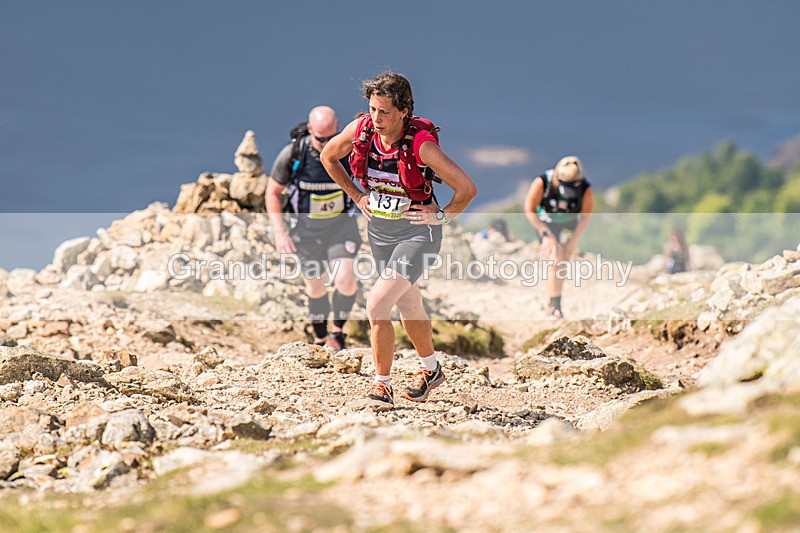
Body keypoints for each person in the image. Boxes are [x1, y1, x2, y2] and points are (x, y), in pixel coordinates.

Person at [321, 72, 478, 410]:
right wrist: (356, 195)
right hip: (379, 233)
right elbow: (328, 157)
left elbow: (467, 189)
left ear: (405, 110)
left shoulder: (422, 146)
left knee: (377, 304)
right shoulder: (361, 130)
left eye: (385, 112)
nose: (376, 119)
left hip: (419, 235)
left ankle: (381, 386)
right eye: (372, 109)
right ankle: (432, 370)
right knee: (408, 304)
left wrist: (440, 216)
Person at [266, 106, 361, 350]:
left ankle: (337, 334)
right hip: (306, 231)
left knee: (346, 280)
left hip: (341, 227)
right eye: (321, 139)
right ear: (310, 130)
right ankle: (319, 339)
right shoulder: (294, 154)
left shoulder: (348, 152)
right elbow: (273, 193)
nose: (327, 143)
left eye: (332, 137)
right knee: (315, 285)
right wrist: (280, 232)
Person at [524, 156, 595, 319]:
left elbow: (585, 217)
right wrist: (546, 234)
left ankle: (556, 301)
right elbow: (529, 209)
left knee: (564, 259)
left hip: (569, 224)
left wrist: (573, 241)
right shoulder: (542, 182)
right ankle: (553, 304)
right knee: (555, 258)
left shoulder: (585, 189)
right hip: (546, 224)